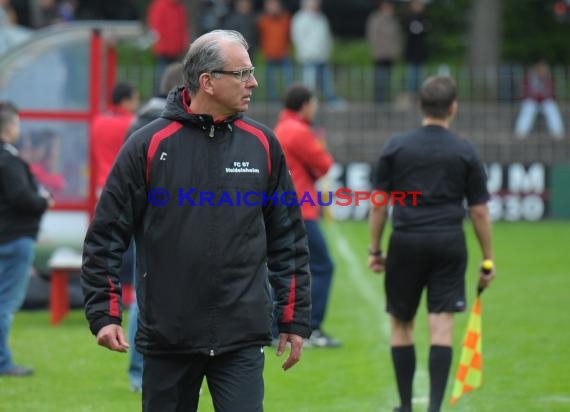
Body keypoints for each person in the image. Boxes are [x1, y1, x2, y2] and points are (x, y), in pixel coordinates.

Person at [81, 30, 311, 411]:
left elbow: (287, 239)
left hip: (241, 337)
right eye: (242, 73)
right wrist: (104, 313)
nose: (252, 82)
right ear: (207, 81)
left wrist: (292, 318)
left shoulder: (263, 144)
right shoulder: (147, 144)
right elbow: (106, 236)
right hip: (168, 338)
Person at [367, 76, 495, 412]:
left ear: (420, 107)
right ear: (453, 107)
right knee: (441, 324)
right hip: (449, 242)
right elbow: (479, 212)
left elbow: (379, 203)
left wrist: (375, 250)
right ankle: (435, 408)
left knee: (401, 323)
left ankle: (406, 406)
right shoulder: (465, 150)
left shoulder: (396, 146)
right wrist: (488, 259)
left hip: (406, 241)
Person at [124, 61, 184, 394]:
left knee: (143, 296)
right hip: (166, 220)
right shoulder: (169, 124)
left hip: (141, 218)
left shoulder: (138, 121)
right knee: (156, 299)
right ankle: (146, 371)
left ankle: (140, 372)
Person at [273, 84, 340, 348]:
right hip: (302, 208)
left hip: (286, 207)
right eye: (313, 104)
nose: (315, 109)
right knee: (322, 266)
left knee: (285, 267)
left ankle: (275, 327)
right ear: (304, 105)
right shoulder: (298, 131)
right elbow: (324, 164)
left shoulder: (281, 127)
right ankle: (311, 328)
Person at [0, 101, 54, 377]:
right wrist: (43, 200)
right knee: (6, 303)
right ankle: (2, 361)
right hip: (14, 238)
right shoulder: (9, 160)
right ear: (9, 127)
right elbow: (22, 198)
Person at [291, 0, 345, 108]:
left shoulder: (321, 18)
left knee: (326, 82)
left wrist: (327, 51)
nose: (316, 4)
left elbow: (327, 37)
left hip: (322, 56)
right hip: (308, 57)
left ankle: (331, 100)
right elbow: (297, 38)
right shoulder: (300, 18)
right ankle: (308, 103)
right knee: (309, 84)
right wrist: (305, 52)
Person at [91, 82, 139, 196]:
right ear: (125, 102)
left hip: (102, 184)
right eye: (135, 100)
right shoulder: (133, 123)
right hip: (124, 184)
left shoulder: (98, 121)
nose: (137, 104)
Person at [514, 59, 565, 139]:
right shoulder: (529, 78)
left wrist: (542, 97)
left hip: (544, 101)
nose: (541, 70)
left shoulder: (548, 79)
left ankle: (557, 132)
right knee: (528, 108)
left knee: (551, 107)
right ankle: (521, 132)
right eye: (539, 68)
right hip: (532, 101)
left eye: (543, 68)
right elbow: (525, 92)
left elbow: (551, 93)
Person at [147, 0, 189, 95]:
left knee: (170, 76)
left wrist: (182, 44)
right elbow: (155, 27)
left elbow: (182, 28)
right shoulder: (163, 5)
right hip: (164, 50)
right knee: (161, 75)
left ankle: (168, 97)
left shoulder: (177, 7)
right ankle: (160, 96)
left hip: (174, 49)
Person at [366, 0, 402, 104]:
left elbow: (397, 37)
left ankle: (385, 100)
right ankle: (379, 101)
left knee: (387, 79)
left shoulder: (393, 20)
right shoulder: (376, 18)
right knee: (380, 78)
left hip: (390, 55)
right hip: (380, 54)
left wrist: (396, 51)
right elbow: (373, 37)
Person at [257, 0, 293, 101]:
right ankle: (272, 100)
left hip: (284, 53)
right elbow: (259, 36)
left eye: (274, 5)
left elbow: (290, 35)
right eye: (270, 6)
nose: (272, 8)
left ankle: (289, 98)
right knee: (271, 81)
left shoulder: (286, 18)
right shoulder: (263, 20)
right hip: (269, 54)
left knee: (288, 79)